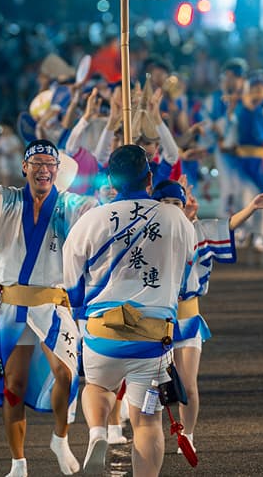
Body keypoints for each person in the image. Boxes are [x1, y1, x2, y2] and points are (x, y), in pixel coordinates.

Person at [0, 140, 99, 477]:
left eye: (50, 163)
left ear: (57, 171)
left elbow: (99, 218)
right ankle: (18, 463)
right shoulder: (6, 199)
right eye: (37, 163)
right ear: (25, 167)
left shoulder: (73, 206)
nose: (43, 169)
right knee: (12, 386)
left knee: (65, 374)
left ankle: (60, 438)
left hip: (52, 306)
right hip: (13, 309)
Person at [61, 145, 196, 477]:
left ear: (110, 179)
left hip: (101, 336)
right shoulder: (174, 217)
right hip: (152, 342)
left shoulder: (90, 220)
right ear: (150, 178)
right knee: (147, 422)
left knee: (97, 387)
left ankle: (97, 434)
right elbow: (188, 260)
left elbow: (71, 285)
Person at [158, 181, 263, 454]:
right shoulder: (147, 235)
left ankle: (187, 434)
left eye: (176, 204)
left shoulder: (198, 231)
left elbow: (228, 225)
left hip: (187, 319)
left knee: (188, 384)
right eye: (165, 204)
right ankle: (130, 428)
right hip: (153, 320)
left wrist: (251, 207)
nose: (172, 210)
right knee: (152, 387)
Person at [220, 73, 263, 252]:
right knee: (242, 197)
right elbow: (231, 137)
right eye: (254, 89)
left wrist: (248, 110)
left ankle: (259, 234)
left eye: (261, 89)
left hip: (262, 162)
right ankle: (242, 231)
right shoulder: (239, 111)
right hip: (243, 161)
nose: (257, 93)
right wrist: (232, 113)